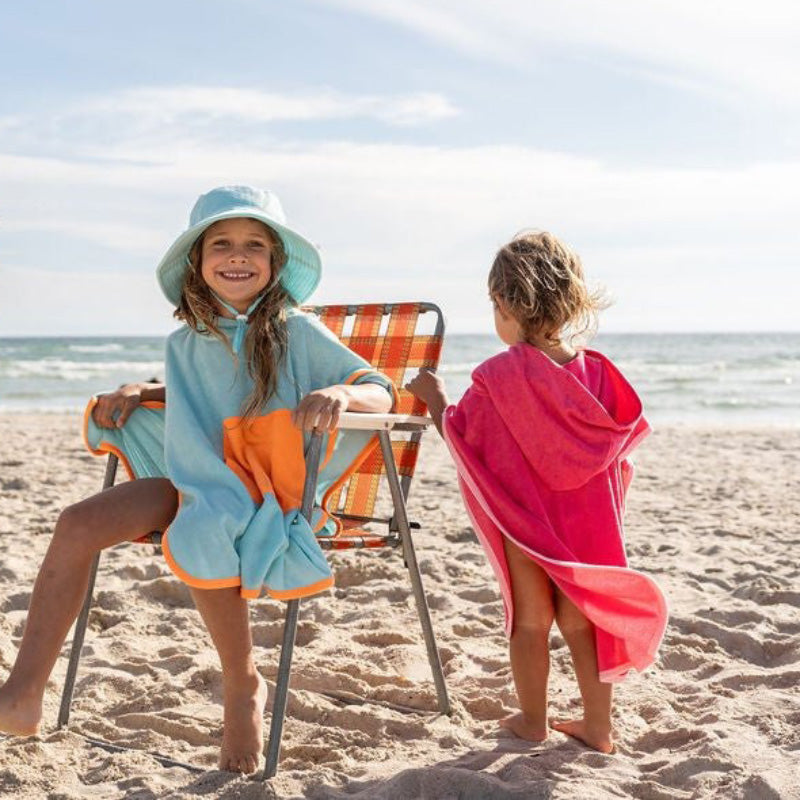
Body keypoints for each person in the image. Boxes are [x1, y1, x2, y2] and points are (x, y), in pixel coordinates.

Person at [0, 185, 395, 773]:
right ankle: (23, 693)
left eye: (254, 245)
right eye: (221, 244)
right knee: (78, 522)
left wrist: (341, 391)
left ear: (275, 261)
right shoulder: (184, 344)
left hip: (269, 488)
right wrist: (145, 391)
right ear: (197, 261)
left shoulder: (299, 331)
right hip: (197, 477)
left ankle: (242, 683)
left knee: (205, 524)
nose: (238, 255)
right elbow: (210, 398)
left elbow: (380, 390)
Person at [407, 231, 667, 754]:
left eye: (494, 306)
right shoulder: (599, 373)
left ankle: (533, 720)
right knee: (580, 621)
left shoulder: (499, 375)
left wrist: (436, 400)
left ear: (505, 305)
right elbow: (614, 449)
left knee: (529, 621)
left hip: (526, 521)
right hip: (586, 525)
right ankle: (598, 727)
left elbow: (466, 441)